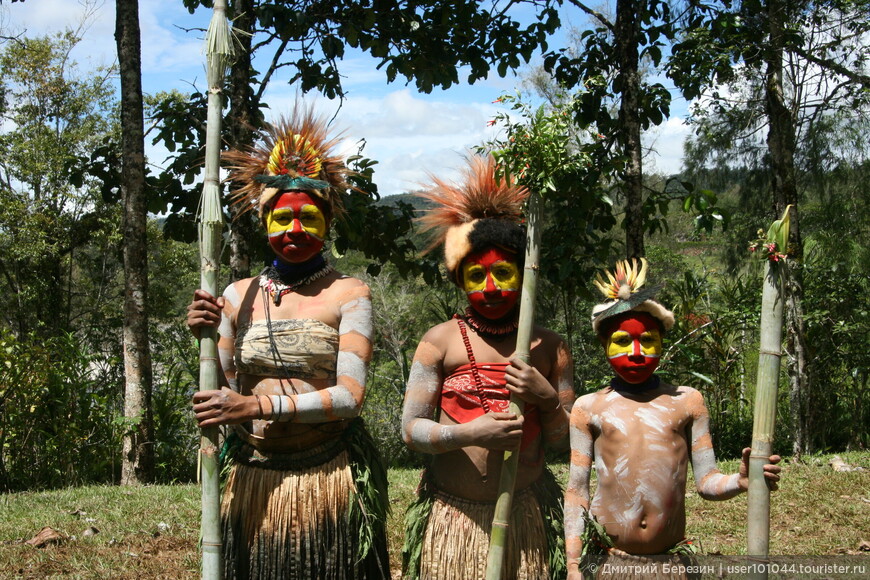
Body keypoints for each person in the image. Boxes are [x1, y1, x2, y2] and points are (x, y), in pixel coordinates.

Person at [186, 107, 389, 579]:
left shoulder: (350, 293)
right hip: (254, 474)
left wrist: (255, 408)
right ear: (264, 222)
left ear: (327, 222)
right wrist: (203, 334)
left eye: (307, 218)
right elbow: (220, 389)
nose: (294, 230)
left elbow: (349, 398)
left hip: (326, 472)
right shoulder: (237, 295)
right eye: (281, 219)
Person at [401, 155, 574, 580]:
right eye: (477, 275)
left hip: (525, 515)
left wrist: (547, 398)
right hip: (454, 519)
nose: (492, 287)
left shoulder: (550, 347)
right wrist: (469, 433)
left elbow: (563, 440)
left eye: (503, 272)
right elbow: (411, 431)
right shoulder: (438, 341)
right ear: (460, 280)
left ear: (524, 274)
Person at [564, 258, 782, 579]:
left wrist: (741, 481)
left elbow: (707, 483)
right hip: (609, 561)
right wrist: (572, 564)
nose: (636, 352)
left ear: (661, 344)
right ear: (603, 344)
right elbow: (577, 492)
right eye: (623, 341)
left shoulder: (687, 402)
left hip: (669, 565)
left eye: (647, 340)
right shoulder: (589, 408)